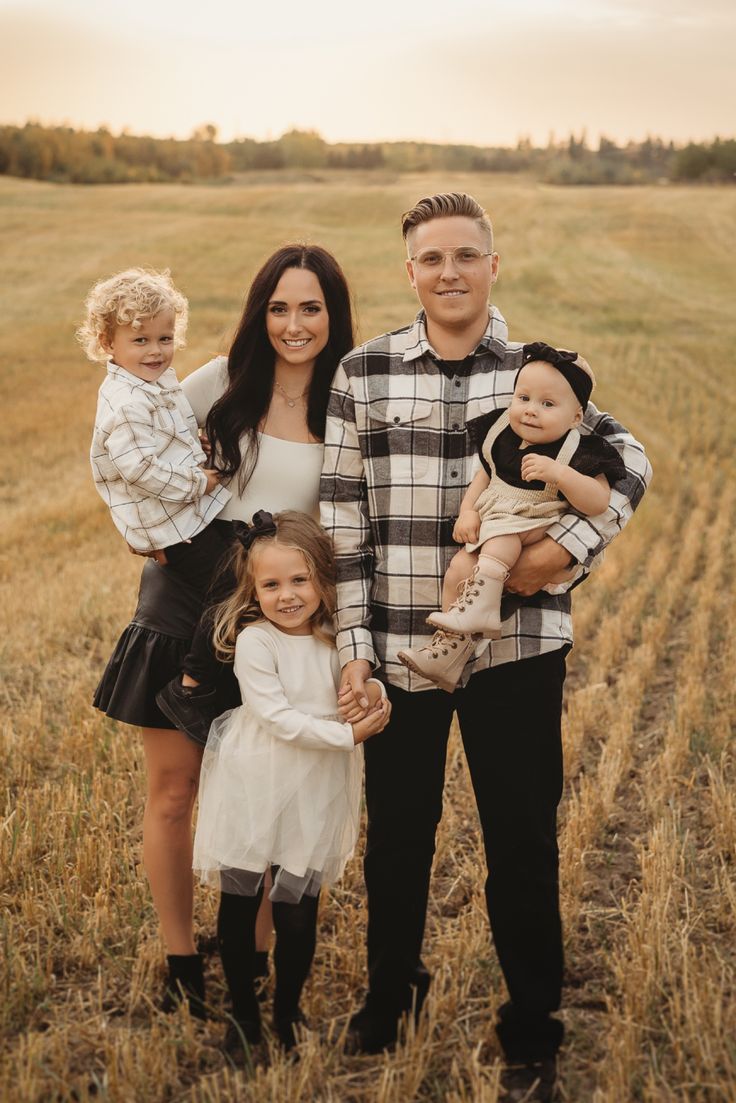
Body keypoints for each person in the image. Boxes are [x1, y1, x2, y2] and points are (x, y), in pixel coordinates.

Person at [320, 193, 651, 1101]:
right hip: (401, 644)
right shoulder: (366, 369)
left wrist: (560, 554)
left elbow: (632, 465)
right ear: (411, 271)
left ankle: (532, 1022)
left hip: (517, 647)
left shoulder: (541, 370)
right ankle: (393, 992)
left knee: (520, 837)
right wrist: (352, 644)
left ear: (493, 266)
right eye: (433, 258)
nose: (451, 272)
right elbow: (343, 517)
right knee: (398, 838)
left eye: (467, 254)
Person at [91, 245, 355, 1019]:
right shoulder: (214, 381)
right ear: (257, 313)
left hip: (278, 622)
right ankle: (181, 959)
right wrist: (143, 530)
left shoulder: (347, 402)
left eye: (311, 308)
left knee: (273, 796)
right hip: (185, 605)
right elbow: (122, 448)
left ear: (333, 316)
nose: (294, 324)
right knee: (175, 792)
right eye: (279, 307)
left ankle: (257, 956)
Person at [192, 510, 390, 1053]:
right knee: (240, 901)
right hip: (256, 778)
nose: (287, 595)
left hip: (314, 787)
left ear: (324, 582)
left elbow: (358, 694)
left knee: (298, 910)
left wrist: (372, 700)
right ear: (253, 590)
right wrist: (347, 739)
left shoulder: (337, 643)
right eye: (271, 584)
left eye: (299, 580)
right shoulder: (257, 641)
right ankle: (243, 1019)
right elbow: (276, 718)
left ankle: (286, 1013)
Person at [398, 341, 626, 690]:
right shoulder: (501, 436)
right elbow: (483, 478)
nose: (531, 411)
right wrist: (467, 513)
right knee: (458, 569)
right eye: (523, 399)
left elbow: (598, 501)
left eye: (547, 404)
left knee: (502, 538)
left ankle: (482, 609)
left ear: (577, 417)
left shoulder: (578, 451)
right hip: (495, 519)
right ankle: (449, 646)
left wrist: (561, 474)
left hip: (534, 519)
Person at [82, 267, 231, 594]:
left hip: (182, 519)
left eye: (164, 338)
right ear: (108, 343)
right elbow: (139, 469)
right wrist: (197, 482)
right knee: (228, 594)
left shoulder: (150, 383)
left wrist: (196, 445)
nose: (156, 351)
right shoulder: (128, 403)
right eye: (140, 340)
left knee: (234, 572)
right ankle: (203, 648)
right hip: (172, 530)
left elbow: (164, 436)